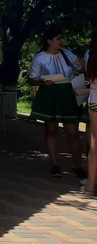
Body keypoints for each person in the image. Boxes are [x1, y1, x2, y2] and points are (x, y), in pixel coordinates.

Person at [28, 28, 85, 178]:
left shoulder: (68, 54)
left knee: (72, 132)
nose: (62, 41)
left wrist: (82, 64)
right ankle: (55, 165)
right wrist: (42, 81)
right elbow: (32, 79)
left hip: (68, 94)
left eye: (62, 38)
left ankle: (78, 166)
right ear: (49, 41)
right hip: (50, 94)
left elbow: (81, 69)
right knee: (51, 130)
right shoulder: (40, 57)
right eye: (59, 38)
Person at [83, 35, 97, 195]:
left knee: (94, 144)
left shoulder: (91, 56)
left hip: (95, 103)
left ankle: (90, 186)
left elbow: (90, 81)